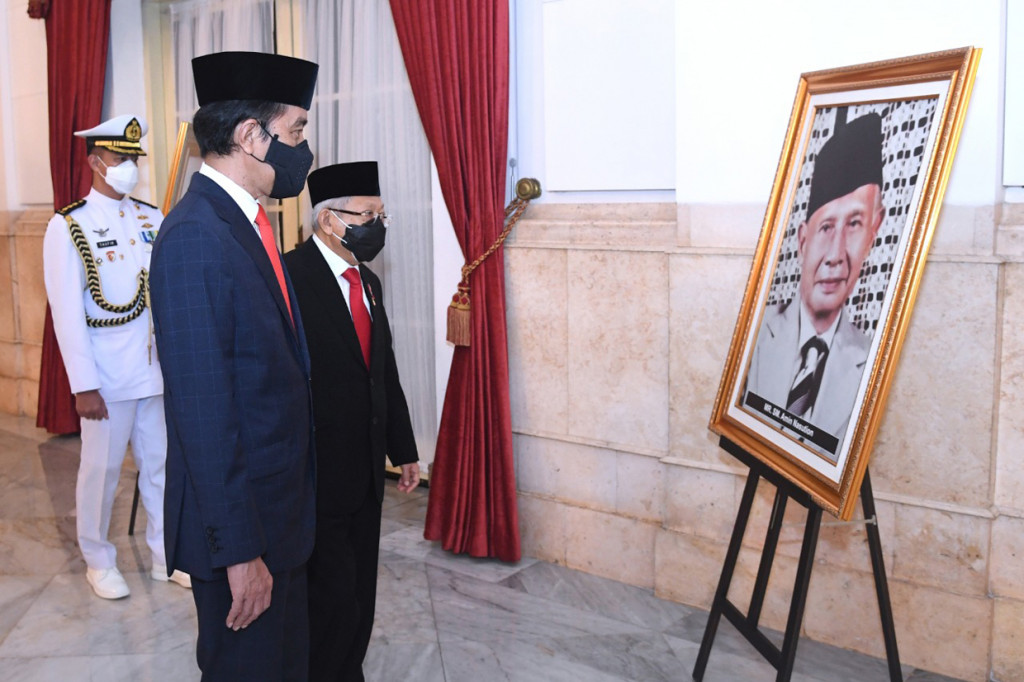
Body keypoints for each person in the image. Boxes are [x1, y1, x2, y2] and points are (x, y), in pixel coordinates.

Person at [149, 51, 319, 681]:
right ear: (252, 136)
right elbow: (204, 415)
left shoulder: (244, 223)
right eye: (297, 130)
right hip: (242, 536)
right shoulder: (195, 237)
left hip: (279, 520)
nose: (304, 149)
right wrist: (240, 553)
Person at [42, 114, 190, 600]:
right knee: (101, 471)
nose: (127, 167)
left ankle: (165, 556)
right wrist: (83, 384)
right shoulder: (69, 227)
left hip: (155, 371)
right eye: (118, 158)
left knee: (161, 467)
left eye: (133, 158)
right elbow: (67, 312)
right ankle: (98, 559)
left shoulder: (153, 218)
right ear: (94, 161)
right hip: (106, 379)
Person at [283, 162, 420, 682]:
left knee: (362, 589)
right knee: (330, 596)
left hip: (364, 470)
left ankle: (348, 671)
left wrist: (401, 448)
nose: (376, 225)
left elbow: (382, 372)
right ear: (328, 220)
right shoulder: (291, 277)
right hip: (315, 471)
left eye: (381, 214)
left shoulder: (367, 281)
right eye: (365, 214)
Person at [744, 112, 885, 460]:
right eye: (825, 227)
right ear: (803, 240)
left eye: (854, 223)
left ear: (873, 232)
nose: (836, 256)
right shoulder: (757, 331)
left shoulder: (872, 361)